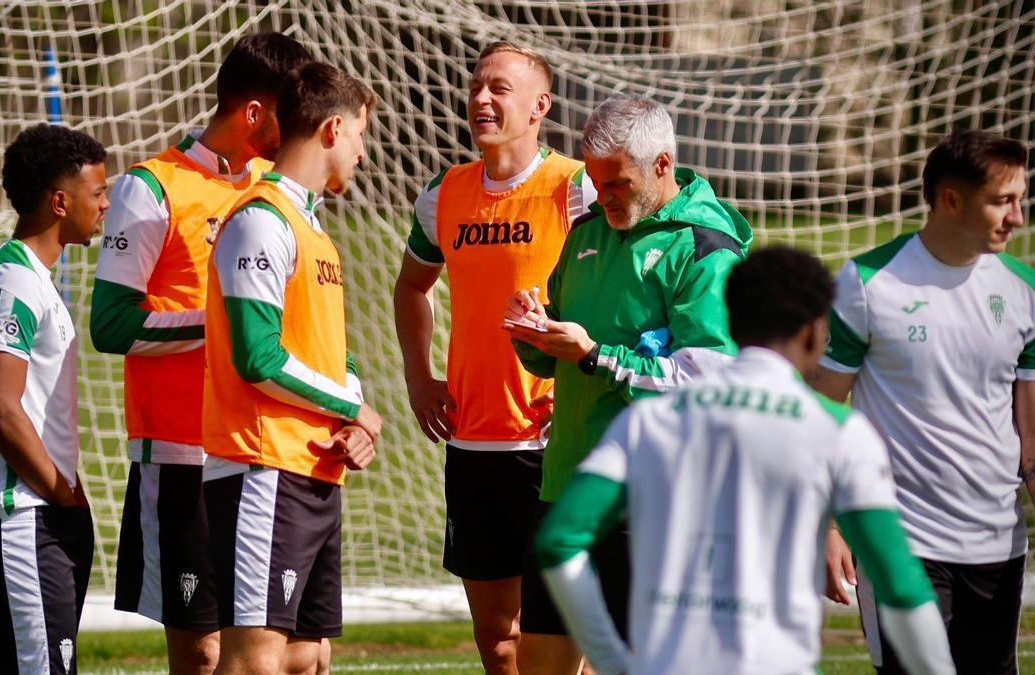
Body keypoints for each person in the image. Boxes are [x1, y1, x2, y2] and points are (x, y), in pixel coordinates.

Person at [535, 246, 955, 675]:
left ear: (732, 322)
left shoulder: (649, 420)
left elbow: (559, 540)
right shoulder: (839, 432)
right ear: (814, 331)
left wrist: (610, 658)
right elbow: (900, 585)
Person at [504, 92, 752, 674]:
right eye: (594, 179)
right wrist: (532, 329)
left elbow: (708, 384)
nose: (602, 194)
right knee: (538, 656)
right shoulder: (587, 231)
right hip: (567, 484)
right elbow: (554, 358)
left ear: (662, 165)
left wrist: (597, 357)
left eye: (615, 181)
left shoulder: (706, 247)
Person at [89, 32, 313, 674]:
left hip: (265, 454)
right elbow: (111, 325)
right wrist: (226, 323)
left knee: (294, 654)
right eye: (287, 111)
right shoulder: (149, 187)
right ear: (252, 113)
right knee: (205, 653)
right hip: (181, 454)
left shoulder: (280, 192)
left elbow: (308, 319)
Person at [391, 41, 595, 673]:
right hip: (474, 443)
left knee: (564, 634)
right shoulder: (443, 192)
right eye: (477, 85)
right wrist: (419, 379)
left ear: (541, 106)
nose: (481, 97)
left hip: (556, 440)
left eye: (499, 88)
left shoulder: (576, 188)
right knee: (496, 637)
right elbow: (410, 286)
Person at [813, 129, 1035, 674]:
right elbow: (822, 411)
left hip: (998, 546)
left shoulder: (1027, 292)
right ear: (950, 200)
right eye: (1002, 201)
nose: (1017, 216)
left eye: (1021, 199)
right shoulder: (868, 283)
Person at [202, 61, 383, 675]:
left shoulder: (312, 230)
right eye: (361, 134)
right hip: (263, 468)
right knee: (255, 660)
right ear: (333, 129)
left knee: (306, 657)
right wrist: (351, 406)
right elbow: (258, 358)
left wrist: (352, 414)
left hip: (313, 467)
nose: (363, 151)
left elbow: (330, 353)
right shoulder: (260, 219)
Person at [0, 123, 108, 674]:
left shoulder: (34, 280)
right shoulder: (12, 281)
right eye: (98, 193)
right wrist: (61, 494)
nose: (106, 205)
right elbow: (2, 410)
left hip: (34, 514)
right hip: (17, 518)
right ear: (60, 201)